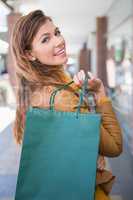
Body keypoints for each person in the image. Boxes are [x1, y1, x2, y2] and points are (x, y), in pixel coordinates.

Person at [11, 10, 122, 200]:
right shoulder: (62, 97)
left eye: (57, 32)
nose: (58, 41)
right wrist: (100, 93)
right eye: (45, 39)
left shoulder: (33, 92)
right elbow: (115, 146)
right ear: (29, 54)